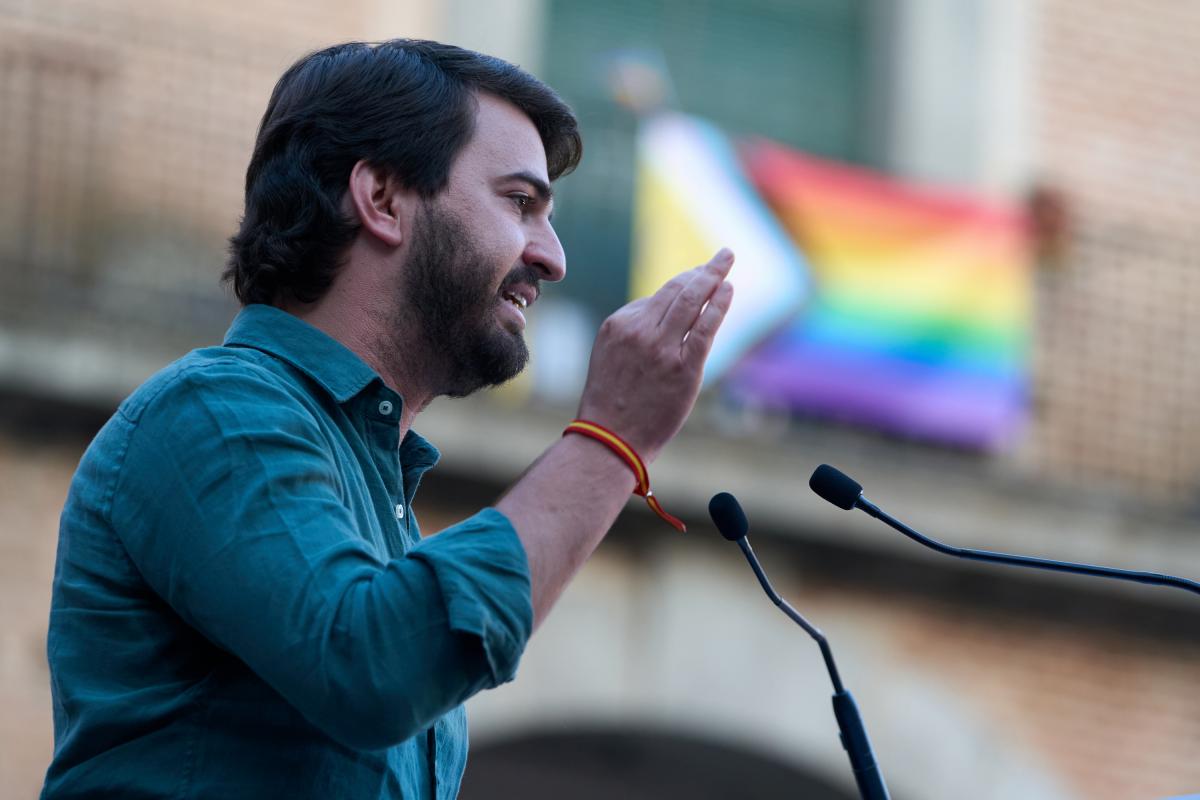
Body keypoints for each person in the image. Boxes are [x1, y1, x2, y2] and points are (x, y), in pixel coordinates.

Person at [41, 39, 733, 799]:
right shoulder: (213, 411)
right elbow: (369, 666)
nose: (553, 256)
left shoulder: (380, 494)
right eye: (520, 203)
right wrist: (612, 438)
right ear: (383, 199)